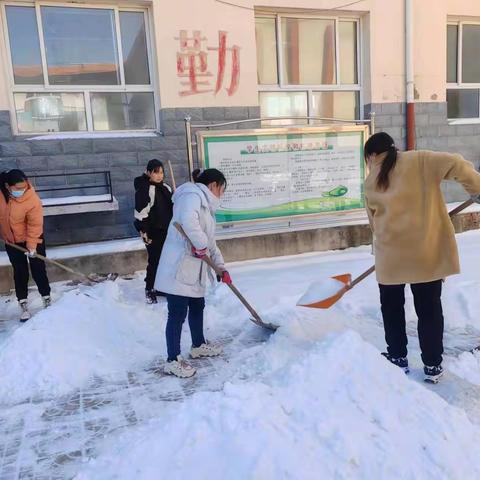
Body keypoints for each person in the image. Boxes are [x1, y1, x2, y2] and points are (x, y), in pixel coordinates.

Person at [364, 132, 480, 383]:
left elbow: (374, 223)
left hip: (391, 256)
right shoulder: (421, 160)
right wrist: (477, 189)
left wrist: (383, 250)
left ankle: (397, 357)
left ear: (372, 155)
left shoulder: (371, 180)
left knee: (392, 309)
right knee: (429, 310)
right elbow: (457, 163)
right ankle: (432, 365)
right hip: (425, 254)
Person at [154, 168, 232, 378]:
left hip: (194, 268)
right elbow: (188, 222)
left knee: (198, 305)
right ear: (213, 185)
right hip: (179, 267)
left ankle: (197, 345)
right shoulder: (191, 195)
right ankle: (172, 360)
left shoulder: (206, 207)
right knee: (177, 312)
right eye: (221, 189)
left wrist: (221, 267)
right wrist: (200, 245)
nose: (221, 194)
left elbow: (210, 242)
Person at [0, 169, 51, 321]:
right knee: (20, 271)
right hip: (12, 242)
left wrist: (32, 246)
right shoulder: (1, 195)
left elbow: (35, 225)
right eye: (18, 188)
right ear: (8, 186)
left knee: (38, 268)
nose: (22, 190)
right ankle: (23, 303)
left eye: (24, 187)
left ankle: (46, 298)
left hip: (33, 238)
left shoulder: (32, 199)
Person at [134, 159, 173, 304]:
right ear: (148, 172)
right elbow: (140, 213)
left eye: (161, 172)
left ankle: (160, 287)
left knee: (165, 260)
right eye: (156, 172)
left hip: (166, 230)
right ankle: (149, 289)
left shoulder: (166, 188)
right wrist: (143, 232)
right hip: (152, 232)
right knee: (155, 261)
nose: (159, 175)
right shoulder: (145, 190)